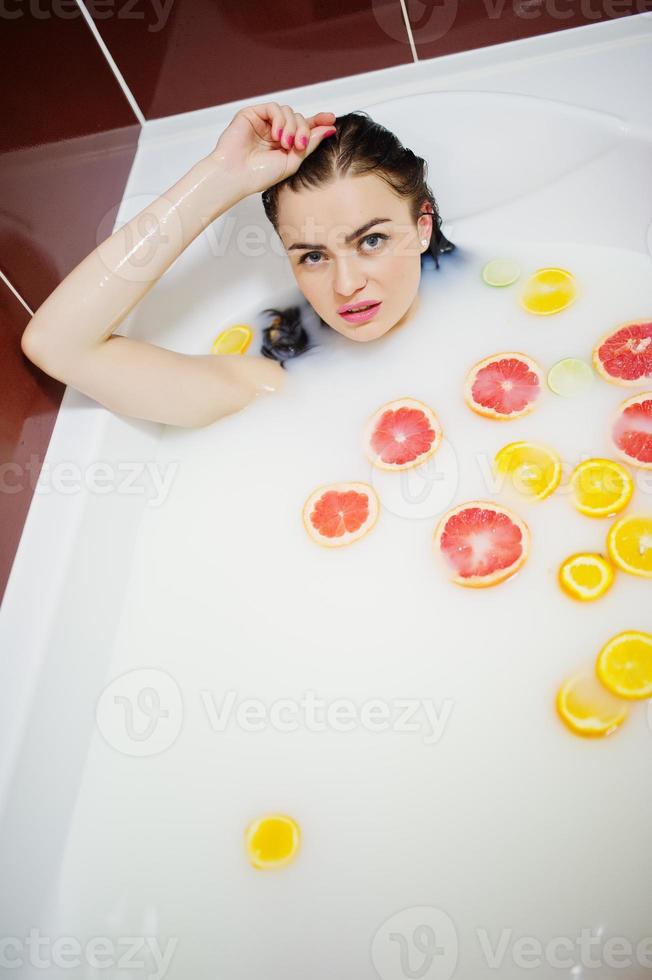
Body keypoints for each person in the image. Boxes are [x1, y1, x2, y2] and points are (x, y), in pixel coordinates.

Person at [21, 102, 454, 428]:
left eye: (372, 240)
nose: (346, 285)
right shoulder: (273, 384)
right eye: (313, 256)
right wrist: (221, 176)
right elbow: (57, 345)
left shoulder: (497, 301)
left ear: (422, 226)